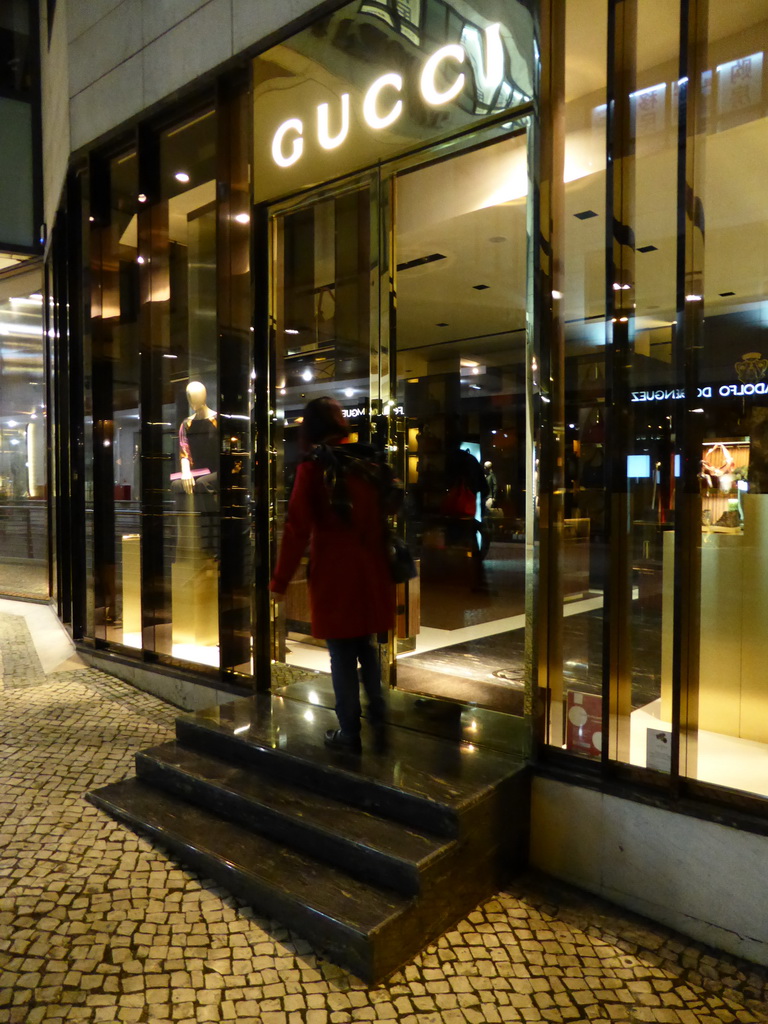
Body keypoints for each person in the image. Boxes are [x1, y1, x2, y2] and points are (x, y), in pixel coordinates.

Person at [269, 397, 394, 753]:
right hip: (371, 569)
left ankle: (349, 733)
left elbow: (296, 529)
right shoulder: (366, 460)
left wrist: (279, 582)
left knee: (341, 652)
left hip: (335, 575)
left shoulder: (315, 467)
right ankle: (379, 714)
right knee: (366, 646)